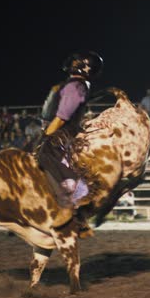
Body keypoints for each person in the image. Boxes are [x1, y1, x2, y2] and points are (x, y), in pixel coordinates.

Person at [37, 51, 103, 208]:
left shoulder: (75, 86)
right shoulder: (75, 85)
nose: (74, 63)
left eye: (78, 61)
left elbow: (62, 117)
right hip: (63, 131)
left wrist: (46, 135)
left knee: (43, 155)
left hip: (62, 133)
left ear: (86, 67)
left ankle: (79, 189)